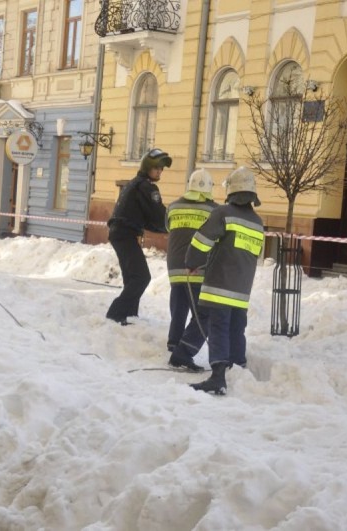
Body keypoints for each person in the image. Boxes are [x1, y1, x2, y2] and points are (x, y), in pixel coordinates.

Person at [185, 167, 264, 395]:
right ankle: (238, 367)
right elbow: (255, 254)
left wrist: (192, 262)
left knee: (218, 327)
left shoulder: (223, 213)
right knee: (237, 329)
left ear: (231, 191)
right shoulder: (258, 222)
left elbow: (202, 240)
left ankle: (218, 377)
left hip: (219, 285)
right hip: (242, 289)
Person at [105, 148, 171, 325]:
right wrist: (173, 225)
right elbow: (158, 215)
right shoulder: (147, 187)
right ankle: (115, 314)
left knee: (132, 278)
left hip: (120, 233)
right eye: (157, 168)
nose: (160, 171)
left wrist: (161, 228)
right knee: (142, 277)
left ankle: (128, 316)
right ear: (147, 167)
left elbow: (147, 218)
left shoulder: (135, 183)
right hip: (125, 234)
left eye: (162, 168)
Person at [166, 168, 217, 372]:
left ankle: (174, 342)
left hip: (174, 266)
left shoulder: (173, 207)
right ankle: (184, 350)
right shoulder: (214, 210)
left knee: (179, 307)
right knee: (201, 314)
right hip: (197, 268)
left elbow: (168, 228)